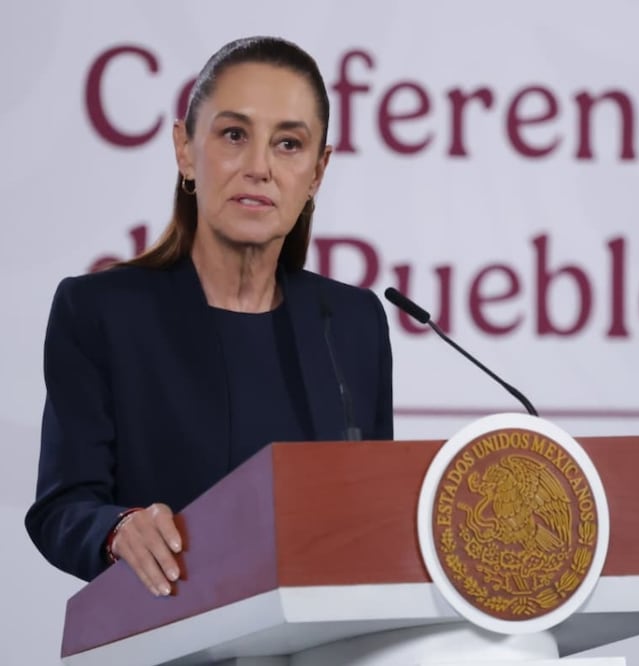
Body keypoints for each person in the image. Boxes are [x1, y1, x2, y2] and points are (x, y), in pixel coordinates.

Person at [24, 36, 394, 596]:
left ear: (317, 172)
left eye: (288, 144)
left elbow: (373, 520)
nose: (259, 167)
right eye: (234, 135)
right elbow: (62, 507)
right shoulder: (101, 312)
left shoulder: (352, 323)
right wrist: (117, 529)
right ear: (185, 149)